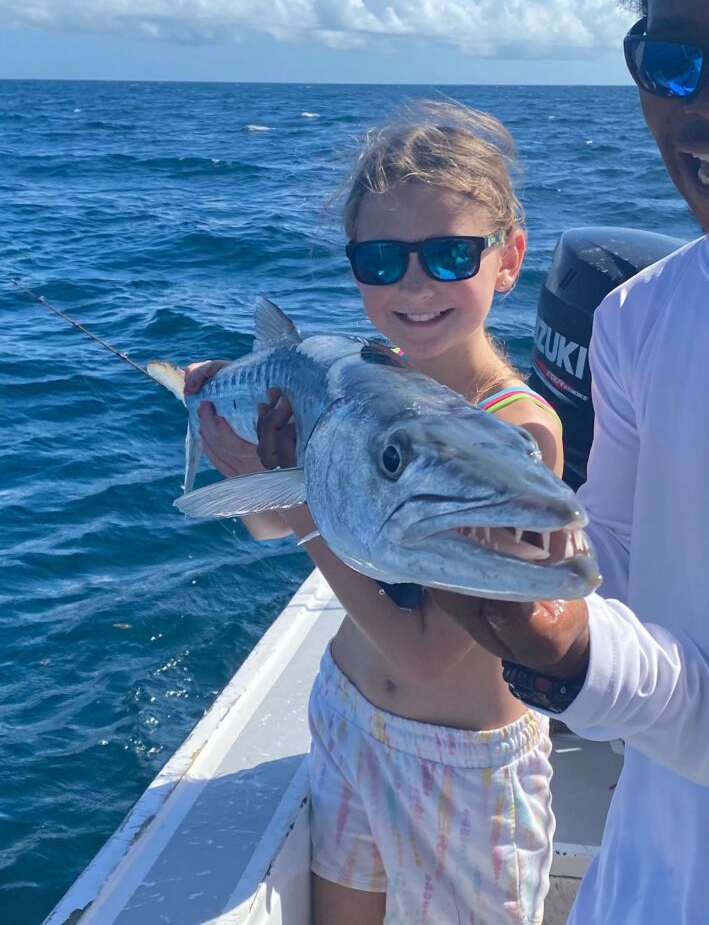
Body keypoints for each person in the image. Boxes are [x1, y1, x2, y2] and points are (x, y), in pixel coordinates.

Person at [431, 0, 709, 922]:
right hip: (643, 876)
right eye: (671, 58)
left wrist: (575, 653)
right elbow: (613, 560)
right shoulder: (634, 316)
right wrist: (486, 541)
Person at [184, 102, 565, 925]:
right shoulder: (363, 385)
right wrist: (265, 477)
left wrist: (307, 506)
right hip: (346, 712)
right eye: (383, 259)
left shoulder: (517, 437)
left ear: (508, 261)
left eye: (451, 254)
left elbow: (430, 653)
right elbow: (272, 528)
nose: (415, 285)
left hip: (465, 767)